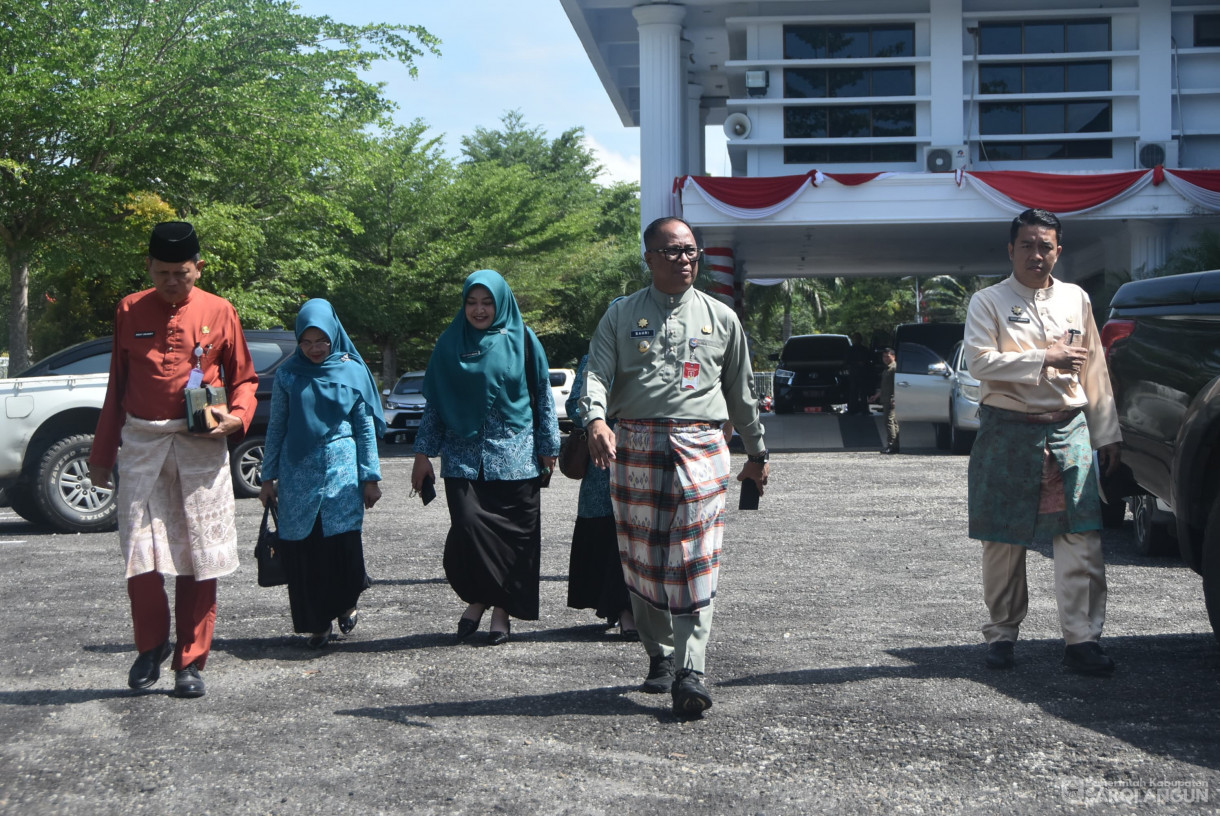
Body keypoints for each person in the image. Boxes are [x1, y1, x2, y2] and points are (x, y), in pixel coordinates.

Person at [582, 216, 769, 718]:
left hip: (701, 445)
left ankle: (692, 668)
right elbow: (596, 372)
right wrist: (597, 419)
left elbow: (742, 392)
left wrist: (758, 453)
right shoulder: (620, 315)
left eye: (690, 251)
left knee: (693, 556)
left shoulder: (721, 317)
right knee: (642, 559)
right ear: (648, 258)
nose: (683, 259)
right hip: (635, 444)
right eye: (671, 251)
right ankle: (660, 654)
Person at [88, 221, 258, 699]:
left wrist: (238, 417)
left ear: (198, 268)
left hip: (200, 448)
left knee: (197, 558)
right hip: (142, 446)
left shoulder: (221, 311)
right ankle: (150, 647)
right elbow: (115, 388)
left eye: (181, 273)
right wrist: (102, 456)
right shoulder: (128, 309)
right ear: (148, 267)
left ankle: (190, 661)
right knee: (140, 556)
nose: (170, 282)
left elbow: (245, 379)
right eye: (161, 272)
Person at [964, 208, 1121, 676]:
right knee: (1003, 538)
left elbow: (1095, 369)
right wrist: (1043, 357)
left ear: (1059, 251)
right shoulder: (987, 302)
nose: (1037, 254)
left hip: (1068, 427)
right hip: (1007, 429)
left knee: (1081, 534)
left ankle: (1083, 639)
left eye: (1046, 245)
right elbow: (979, 362)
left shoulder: (1077, 298)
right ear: (1011, 250)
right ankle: (1002, 634)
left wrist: (1107, 431)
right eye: (1028, 245)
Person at [411, 270, 561, 646]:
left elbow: (542, 397)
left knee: (515, 541)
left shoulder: (524, 340)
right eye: (472, 302)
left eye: (487, 302)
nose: (479, 310)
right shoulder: (449, 343)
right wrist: (422, 453)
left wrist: (549, 446)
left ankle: (498, 611)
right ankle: (480, 596)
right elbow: (435, 405)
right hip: (463, 458)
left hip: (516, 457)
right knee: (468, 529)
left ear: (501, 303)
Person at [258, 299, 385, 649]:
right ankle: (318, 624)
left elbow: (364, 428)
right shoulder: (287, 375)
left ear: (334, 336)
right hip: (297, 475)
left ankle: (346, 602)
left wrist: (370, 478)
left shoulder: (351, 371)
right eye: (306, 342)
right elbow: (277, 427)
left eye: (322, 341)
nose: (315, 349)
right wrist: (267, 479)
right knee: (305, 553)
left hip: (341, 473)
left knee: (342, 546)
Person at [564, 353, 635, 640]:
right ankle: (623, 610)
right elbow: (572, 405)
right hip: (602, 465)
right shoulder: (594, 358)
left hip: (648, 455)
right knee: (608, 536)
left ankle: (636, 609)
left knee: (641, 535)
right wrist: (601, 418)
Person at [870, 347, 898, 453]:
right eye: (884, 356)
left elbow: (897, 385)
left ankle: (892, 445)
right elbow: (885, 386)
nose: (885, 358)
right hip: (885, 398)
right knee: (893, 422)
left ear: (893, 356)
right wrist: (876, 396)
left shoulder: (894, 368)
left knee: (889, 422)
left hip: (891, 399)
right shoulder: (887, 368)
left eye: (888, 356)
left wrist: (895, 398)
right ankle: (895, 444)